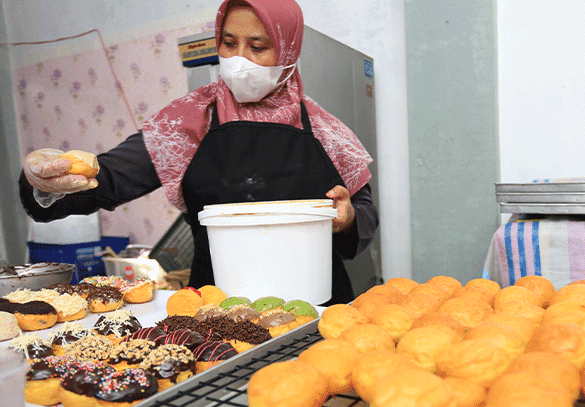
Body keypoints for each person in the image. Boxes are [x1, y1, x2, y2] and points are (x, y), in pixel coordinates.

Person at [18, 0, 378, 305]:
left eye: (257, 47)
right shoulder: (188, 121)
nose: (240, 59)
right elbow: (106, 179)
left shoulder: (326, 130)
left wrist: (346, 219)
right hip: (217, 313)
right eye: (228, 42)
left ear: (287, 52)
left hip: (316, 306)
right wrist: (48, 179)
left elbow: (363, 214)